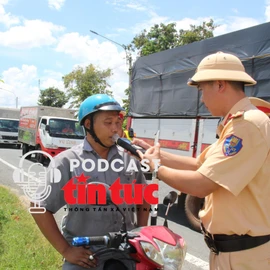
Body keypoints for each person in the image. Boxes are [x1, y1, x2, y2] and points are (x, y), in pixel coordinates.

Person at [134, 52, 270, 270]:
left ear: (219, 84)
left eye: (202, 89)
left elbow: (201, 184)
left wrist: (155, 168)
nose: (202, 98)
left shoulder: (247, 125)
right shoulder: (235, 123)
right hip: (234, 252)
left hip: (244, 256)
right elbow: (200, 165)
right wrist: (154, 153)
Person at [31, 94, 150, 270]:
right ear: (88, 125)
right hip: (86, 256)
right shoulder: (67, 161)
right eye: (108, 123)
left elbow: (144, 197)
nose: (115, 129)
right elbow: (39, 207)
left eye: (118, 123)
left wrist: (139, 234)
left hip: (126, 254)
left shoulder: (128, 158)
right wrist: (66, 250)